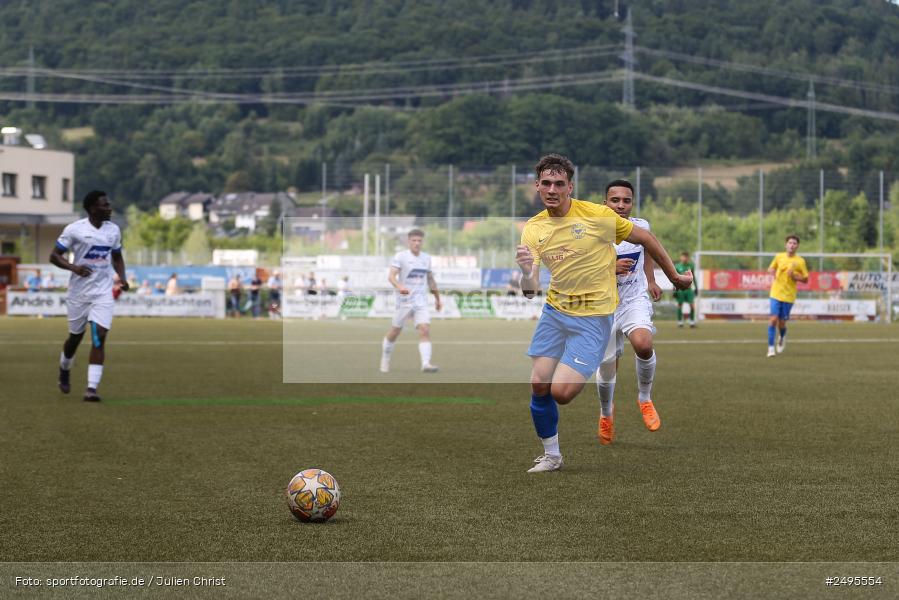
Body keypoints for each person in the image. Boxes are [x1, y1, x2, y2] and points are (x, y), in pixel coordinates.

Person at [516, 154, 693, 473]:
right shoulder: (533, 229)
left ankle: (636, 399)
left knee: (561, 394)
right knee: (539, 385)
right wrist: (527, 271)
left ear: (570, 186)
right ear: (537, 186)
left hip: (593, 317)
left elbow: (646, 239)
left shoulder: (597, 216)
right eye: (546, 183)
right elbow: (530, 290)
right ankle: (552, 455)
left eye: (559, 183)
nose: (552, 189)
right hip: (555, 312)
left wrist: (675, 276)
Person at [594, 180, 665, 446]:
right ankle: (606, 414)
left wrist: (651, 280)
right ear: (605, 203)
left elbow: (647, 251)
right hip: (603, 305)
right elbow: (581, 268)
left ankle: (644, 399)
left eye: (626, 200)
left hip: (633, 299)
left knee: (643, 344)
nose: (621, 205)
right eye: (615, 200)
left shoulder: (641, 226)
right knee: (607, 368)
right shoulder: (593, 231)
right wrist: (609, 268)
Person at [50, 190, 129, 402]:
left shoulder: (113, 230)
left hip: (102, 292)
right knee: (75, 338)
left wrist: (121, 277)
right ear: (93, 208)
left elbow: (117, 257)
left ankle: (91, 388)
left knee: (99, 336)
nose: (109, 208)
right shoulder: (75, 230)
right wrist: (74, 268)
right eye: (105, 205)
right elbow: (54, 256)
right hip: (79, 293)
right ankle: (64, 368)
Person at [380, 229, 442, 373]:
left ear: (422, 242)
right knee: (395, 331)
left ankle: (426, 364)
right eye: (414, 240)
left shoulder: (426, 258)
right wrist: (399, 286)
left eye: (419, 241)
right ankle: (385, 357)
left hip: (421, 301)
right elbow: (391, 277)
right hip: (404, 300)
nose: (417, 243)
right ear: (408, 242)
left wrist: (438, 299)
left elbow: (430, 280)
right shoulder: (401, 256)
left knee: (425, 329)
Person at [767, 234, 808, 357]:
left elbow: (805, 279)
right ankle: (770, 349)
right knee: (773, 319)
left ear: (797, 246)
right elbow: (771, 268)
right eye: (790, 243)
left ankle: (782, 335)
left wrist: (795, 276)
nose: (792, 245)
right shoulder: (778, 257)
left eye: (794, 243)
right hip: (775, 293)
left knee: (782, 323)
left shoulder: (800, 261)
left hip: (789, 296)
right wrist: (772, 271)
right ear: (786, 245)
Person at [673, 252, 698, 327]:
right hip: (680, 289)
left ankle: (692, 322)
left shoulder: (691, 266)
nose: (684, 258)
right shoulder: (677, 266)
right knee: (680, 305)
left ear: (688, 258)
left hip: (689, 289)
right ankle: (680, 322)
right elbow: (674, 278)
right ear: (681, 257)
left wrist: (696, 287)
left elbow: (693, 277)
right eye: (683, 257)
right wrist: (674, 289)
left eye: (685, 257)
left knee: (692, 305)